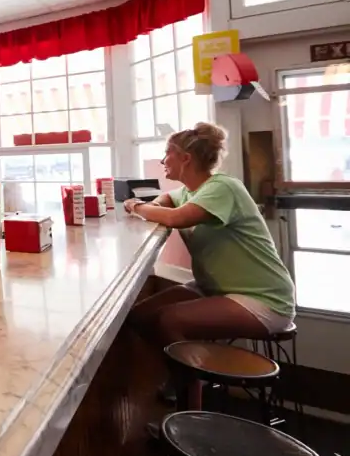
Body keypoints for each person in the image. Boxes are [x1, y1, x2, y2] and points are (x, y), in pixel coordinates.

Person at [125, 122, 295, 410]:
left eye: (168, 154)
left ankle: (190, 408)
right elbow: (168, 199)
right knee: (140, 317)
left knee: (169, 321)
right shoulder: (193, 191)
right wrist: (155, 202)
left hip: (263, 299)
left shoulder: (223, 187)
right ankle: (179, 373)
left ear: (185, 158)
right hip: (217, 289)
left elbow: (177, 217)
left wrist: (136, 206)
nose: (163, 161)